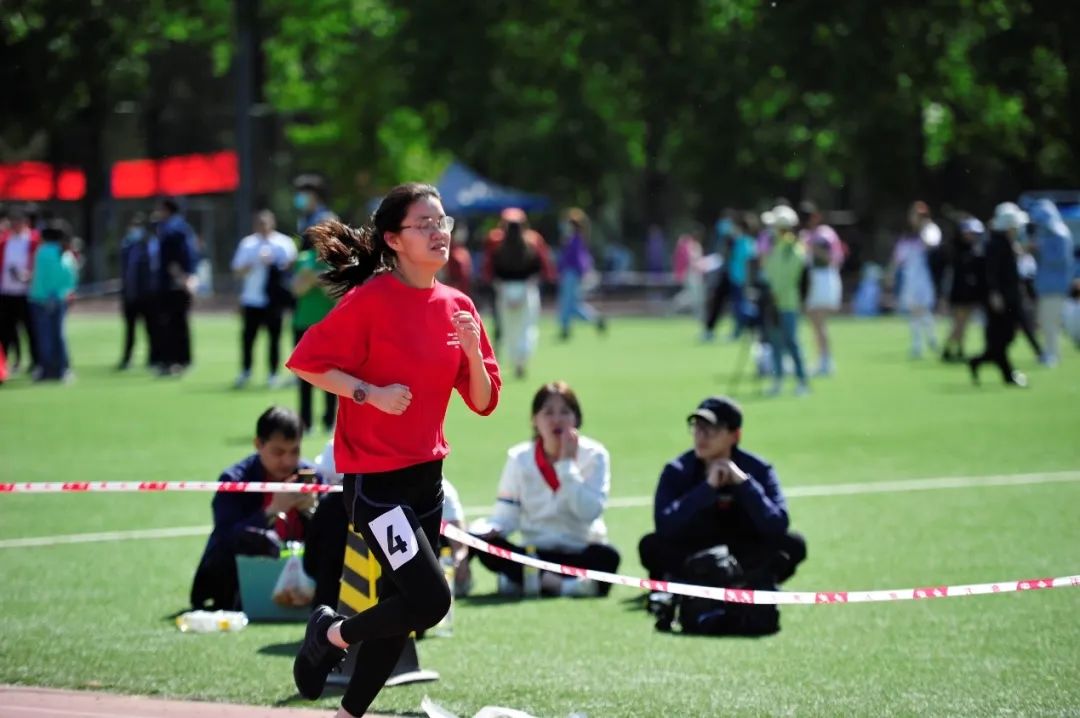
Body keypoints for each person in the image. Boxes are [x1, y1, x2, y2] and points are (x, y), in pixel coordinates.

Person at [284, 182, 501, 718]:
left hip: (428, 480)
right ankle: (331, 634)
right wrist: (368, 393)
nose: (438, 232)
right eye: (424, 224)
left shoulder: (459, 306)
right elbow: (307, 362)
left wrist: (473, 352)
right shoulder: (370, 300)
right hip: (377, 487)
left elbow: (483, 401)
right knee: (431, 601)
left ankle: (344, 699)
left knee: (401, 610)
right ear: (393, 239)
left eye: (442, 221)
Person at [468, 381, 620, 598]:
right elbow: (506, 515)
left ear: (576, 418)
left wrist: (566, 465)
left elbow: (590, 512)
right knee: (485, 545)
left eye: (565, 412)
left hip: (579, 550)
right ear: (534, 420)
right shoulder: (519, 458)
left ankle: (528, 582)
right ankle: (564, 586)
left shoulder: (595, 455)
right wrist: (490, 529)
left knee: (609, 557)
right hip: (534, 553)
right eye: (548, 412)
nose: (557, 420)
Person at [637, 396, 806, 587]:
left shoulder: (758, 469)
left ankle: (744, 582)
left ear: (735, 435)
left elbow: (777, 524)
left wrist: (744, 484)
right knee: (651, 545)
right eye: (697, 427)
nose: (701, 435)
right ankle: (688, 585)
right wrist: (707, 488)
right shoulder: (677, 470)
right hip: (694, 550)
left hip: (742, 550)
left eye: (712, 429)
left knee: (793, 543)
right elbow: (664, 525)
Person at [306, 437, 473, 609]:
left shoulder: (422, 455)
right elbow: (317, 476)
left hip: (394, 503)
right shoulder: (340, 447)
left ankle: (330, 624)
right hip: (369, 509)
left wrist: (460, 552)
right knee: (430, 599)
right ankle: (330, 622)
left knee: (425, 600)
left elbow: (447, 499)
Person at [190, 406, 325, 611]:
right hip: (238, 583)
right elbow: (225, 538)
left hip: (304, 579)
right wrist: (271, 511)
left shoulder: (312, 477)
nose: (288, 461)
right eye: (278, 452)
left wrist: (313, 511)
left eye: (295, 451)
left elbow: (332, 537)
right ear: (258, 444)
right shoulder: (234, 480)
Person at [483, 207, 556, 379]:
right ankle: (521, 360)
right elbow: (543, 266)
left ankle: (512, 359)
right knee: (526, 327)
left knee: (509, 329)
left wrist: (492, 284)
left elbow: (489, 268)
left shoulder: (495, 240)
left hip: (504, 289)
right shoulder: (533, 240)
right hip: (526, 288)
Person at [231, 210, 298, 389]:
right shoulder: (248, 243)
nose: (263, 226)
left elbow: (292, 266)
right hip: (252, 298)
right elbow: (237, 270)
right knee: (248, 338)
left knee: (274, 338)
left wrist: (275, 263)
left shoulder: (284, 242)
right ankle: (246, 371)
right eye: (260, 223)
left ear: (272, 223)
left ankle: (273, 373)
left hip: (274, 300)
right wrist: (253, 263)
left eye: (266, 222)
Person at [969, 203, 1030, 388]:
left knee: (1002, 338)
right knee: (1002, 336)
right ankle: (1007, 374)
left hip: (1008, 296)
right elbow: (992, 272)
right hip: (1001, 298)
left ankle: (980, 362)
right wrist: (995, 294)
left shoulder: (1005, 242)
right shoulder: (995, 244)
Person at [291, 231, 338, 434]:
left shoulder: (338, 260)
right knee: (304, 375)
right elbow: (297, 290)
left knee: (333, 375)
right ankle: (306, 422)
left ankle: (329, 421)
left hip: (330, 326)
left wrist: (318, 278)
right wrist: (317, 278)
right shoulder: (304, 259)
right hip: (303, 323)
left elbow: (336, 294)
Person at [760, 205, 809, 396]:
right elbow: (768, 273)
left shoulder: (795, 249)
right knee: (775, 343)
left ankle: (802, 381)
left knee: (791, 342)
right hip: (773, 304)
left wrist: (776, 292)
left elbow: (790, 277)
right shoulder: (776, 248)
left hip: (788, 303)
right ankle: (777, 380)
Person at [27, 220, 79, 383]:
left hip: (41, 299)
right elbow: (71, 277)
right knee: (58, 335)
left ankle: (46, 369)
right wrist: (60, 293)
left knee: (44, 336)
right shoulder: (66, 253)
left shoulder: (42, 252)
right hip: (60, 299)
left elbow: (39, 277)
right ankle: (62, 369)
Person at [889, 201, 942, 359]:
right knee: (914, 311)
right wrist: (891, 274)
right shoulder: (907, 235)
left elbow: (932, 244)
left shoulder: (930, 229)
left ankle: (927, 340)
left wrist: (922, 230)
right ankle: (920, 343)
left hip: (925, 277)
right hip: (910, 278)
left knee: (921, 309)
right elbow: (898, 258)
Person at [798, 201, 844, 376]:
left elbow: (835, 258)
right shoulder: (804, 235)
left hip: (824, 279)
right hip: (811, 280)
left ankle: (826, 360)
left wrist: (815, 249)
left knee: (819, 321)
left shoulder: (825, 234)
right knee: (814, 322)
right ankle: (821, 358)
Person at [153, 197, 197, 376]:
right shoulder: (184, 228)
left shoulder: (172, 229)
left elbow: (176, 258)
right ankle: (183, 359)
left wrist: (181, 277)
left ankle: (172, 361)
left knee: (170, 323)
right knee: (180, 322)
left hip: (173, 283)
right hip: (180, 280)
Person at [1027, 199, 1074, 367]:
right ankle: (1049, 352)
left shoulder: (1059, 234)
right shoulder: (1047, 234)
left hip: (1055, 287)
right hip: (1046, 286)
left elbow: (1060, 259)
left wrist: (1040, 248)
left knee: (1051, 322)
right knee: (1045, 321)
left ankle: (1052, 355)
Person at [117, 213, 160, 371]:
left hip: (147, 294)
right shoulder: (127, 245)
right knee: (130, 330)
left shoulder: (150, 244)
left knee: (151, 328)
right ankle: (127, 358)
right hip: (130, 294)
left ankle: (153, 358)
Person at [0, 206, 41, 373]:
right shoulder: (5, 240)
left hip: (26, 293)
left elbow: (39, 264)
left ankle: (36, 363)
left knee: (31, 330)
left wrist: (29, 275)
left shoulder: (33, 240)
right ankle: (5, 364)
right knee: (5, 331)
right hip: (6, 292)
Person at [940, 217, 986, 362]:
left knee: (964, 324)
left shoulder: (972, 249)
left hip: (968, 294)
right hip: (960, 294)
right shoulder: (958, 251)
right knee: (959, 324)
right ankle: (947, 350)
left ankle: (959, 349)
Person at [557, 208, 606, 340]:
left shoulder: (575, 239)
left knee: (567, 303)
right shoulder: (574, 239)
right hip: (571, 274)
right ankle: (595, 320)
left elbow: (576, 260)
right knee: (573, 305)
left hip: (571, 274)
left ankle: (566, 328)